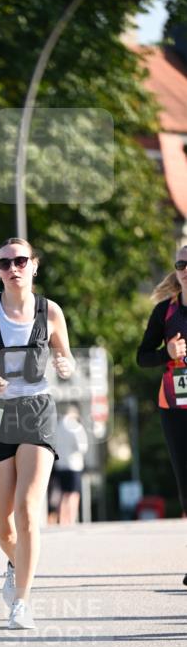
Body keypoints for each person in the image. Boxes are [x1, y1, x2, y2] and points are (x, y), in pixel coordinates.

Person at [0, 237, 75, 629]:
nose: (13, 268)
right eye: (5, 263)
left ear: (34, 266)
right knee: (3, 525)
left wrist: (65, 364)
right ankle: (14, 562)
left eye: (21, 261)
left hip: (36, 410)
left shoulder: (50, 311)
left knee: (27, 511)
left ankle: (22, 602)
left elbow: (65, 356)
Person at [137, 245, 187, 586]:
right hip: (176, 408)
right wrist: (166, 354)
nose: (184, 268)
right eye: (180, 263)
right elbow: (142, 357)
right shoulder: (164, 313)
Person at [53, 406, 89, 525]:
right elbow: (82, 447)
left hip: (60, 464)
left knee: (63, 493)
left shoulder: (57, 427)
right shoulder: (75, 427)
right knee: (73, 493)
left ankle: (62, 518)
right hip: (74, 464)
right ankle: (71, 518)